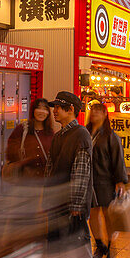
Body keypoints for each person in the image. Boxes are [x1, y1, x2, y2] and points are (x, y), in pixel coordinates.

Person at [47, 92, 95, 244]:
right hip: (57, 201)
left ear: (71, 110)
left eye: (59, 107)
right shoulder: (58, 135)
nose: (54, 111)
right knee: (57, 244)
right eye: (54, 107)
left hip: (71, 205)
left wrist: (76, 204)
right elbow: (50, 169)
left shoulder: (81, 135)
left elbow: (81, 173)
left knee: (76, 245)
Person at [87, 101, 128, 258]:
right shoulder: (86, 132)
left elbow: (118, 159)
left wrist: (120, 181)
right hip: (89, 179)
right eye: (93, 110)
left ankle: (110, 247)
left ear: (105, 114)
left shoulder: (111, 136)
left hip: (106, 180)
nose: (95, 113)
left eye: (99, 110)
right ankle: (99, 246)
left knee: (107, 214)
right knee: (92, 214)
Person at [5, 97, 55, 181]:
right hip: (25, 179)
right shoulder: (22, 129)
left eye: (45, 109)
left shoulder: (50, 133)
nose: (41, 111)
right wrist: (26, 159)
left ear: (48, 113)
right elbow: (11, 152)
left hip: (44, 179)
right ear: (33, 110)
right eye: (38, 108)